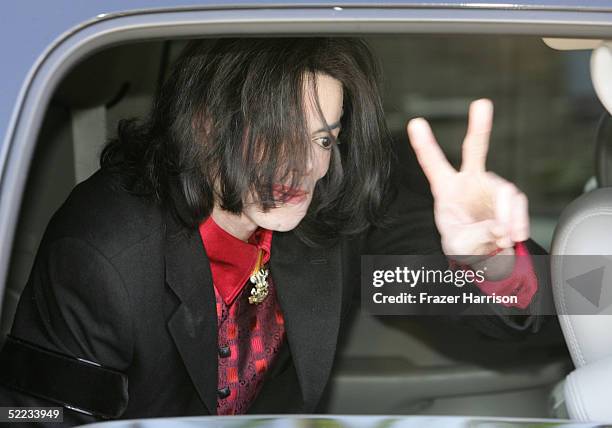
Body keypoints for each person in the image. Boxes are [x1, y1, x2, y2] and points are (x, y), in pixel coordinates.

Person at [0, 37, 547, 425]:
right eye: (275, 135)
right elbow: (32, 414)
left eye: (324, 138)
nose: (305, 168)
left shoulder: (334, 203)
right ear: (206, 123)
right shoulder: (104, 252)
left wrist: (493, 262)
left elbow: (545, 305)